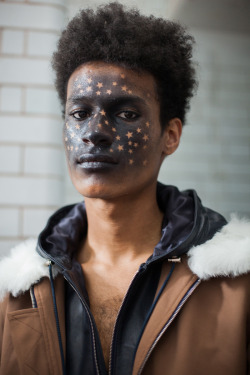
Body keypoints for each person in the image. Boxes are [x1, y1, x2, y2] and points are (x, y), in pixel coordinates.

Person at [0, 3, 249, 375]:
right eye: (80, 113)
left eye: (127, 114)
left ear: (170, 135)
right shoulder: (19, 291)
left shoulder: (237, 282)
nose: (95, 131)